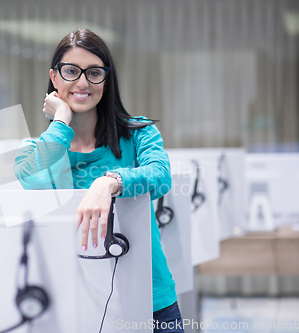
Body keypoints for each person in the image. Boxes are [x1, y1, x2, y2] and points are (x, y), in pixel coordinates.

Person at [14, 28, 184, 333]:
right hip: (72, 303)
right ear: (54, 78)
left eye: (94, 72)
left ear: (106, 80)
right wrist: (61, 121)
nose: (82, 82)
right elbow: (31, 178)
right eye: (70, 71)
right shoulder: (35, 151)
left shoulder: (137, 133)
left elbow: (160, 176)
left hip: (150, 298)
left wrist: (108, 183)